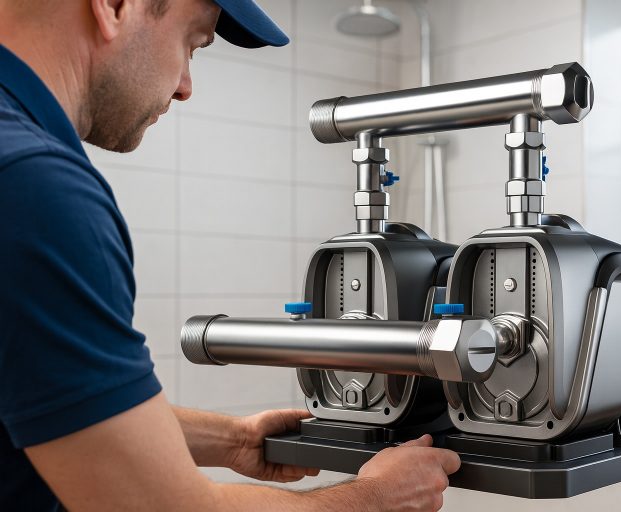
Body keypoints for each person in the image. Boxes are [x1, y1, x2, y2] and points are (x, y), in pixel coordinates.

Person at [0, 1, 461, 510]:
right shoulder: (35, 190)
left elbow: (44, 396)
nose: (184, 85)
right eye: (192, 44)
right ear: (114, 6)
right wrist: (377, 497)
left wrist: (235, 440)